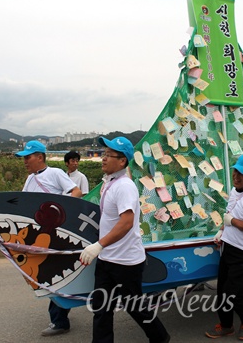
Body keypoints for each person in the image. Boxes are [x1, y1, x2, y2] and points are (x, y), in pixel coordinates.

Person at [79, 136, 170, 343]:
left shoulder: (124, 187)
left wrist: (99, 245)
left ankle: (160, 337)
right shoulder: (110, 184)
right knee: (101, 309)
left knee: (135, 307)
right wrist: (101, 248)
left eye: (109, 155)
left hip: (126, 263)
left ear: (122, 161)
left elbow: (126, 222)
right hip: (107, 259)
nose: (103, 158)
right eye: (104, 154)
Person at [15, 140, 83, 337]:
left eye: (28, 157)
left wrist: (59, 211)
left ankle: (60, 321)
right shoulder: (29, 180)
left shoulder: (55, 173)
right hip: (38, 236)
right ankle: (62, 311)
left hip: (54, 234)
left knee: (50, 274)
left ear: (40, 157)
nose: (25, 161)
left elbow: (75, 192)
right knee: (47, 275)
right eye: (24, 158)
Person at [205, 154, 243, 341]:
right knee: (222, 292)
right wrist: (222, 231)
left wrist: (232, 222)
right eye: (236, 172)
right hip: (229, 249)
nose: (237, 177)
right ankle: (227, 326)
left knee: (234, 295)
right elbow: (230, 215)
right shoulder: (234, 191)